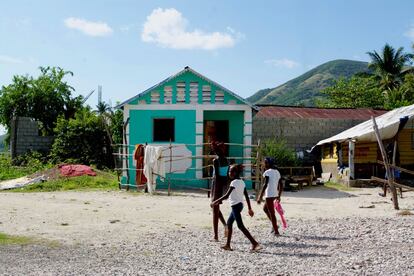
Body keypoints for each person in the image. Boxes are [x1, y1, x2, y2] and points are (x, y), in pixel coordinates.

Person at [211, 164, 261, 251]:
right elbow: (246, 196)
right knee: (229, 223)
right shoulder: (242, 182)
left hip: (236, 207)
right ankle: (228, 245)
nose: (229, 173)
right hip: (239, 205)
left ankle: (255, 243)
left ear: (235, 173)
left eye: (230, 171)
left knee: (240, 226)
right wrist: (249, 208)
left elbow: (226, 196)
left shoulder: (233, 183)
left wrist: (215, 201)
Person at [257, 157, 282, 236]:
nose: (264, 164)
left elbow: (265, 185)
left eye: (264, 163)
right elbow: (281, 185)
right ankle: (275, 226)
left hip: (269, 195)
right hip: (274, 194)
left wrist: (260, 197)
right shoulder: (277, 172)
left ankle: (276, 231)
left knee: (272, 213)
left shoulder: (267, 172)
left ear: (268, 163)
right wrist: (279, 195)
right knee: (265, 209)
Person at [210, 141, 229, 241]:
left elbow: (217, 175)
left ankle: (216, 236)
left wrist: (214, 189)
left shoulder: (215, 161)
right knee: (215, 208)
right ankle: (225, 225)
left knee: (214, 209)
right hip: (223, 184)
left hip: (216, 185)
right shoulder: (226, 160)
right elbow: (226, 175)